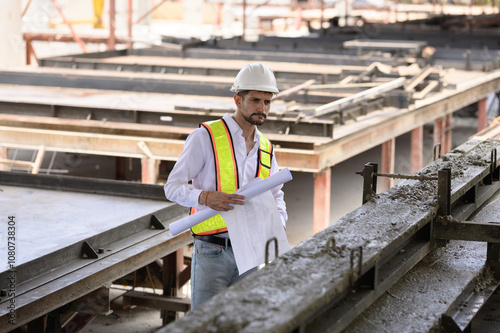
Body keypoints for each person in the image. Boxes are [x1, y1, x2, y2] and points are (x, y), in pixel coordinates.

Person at [164, 62, 288, 309]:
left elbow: (276, 195)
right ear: (237, 100)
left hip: (251, 251)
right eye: (255, 100)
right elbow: (172, 187)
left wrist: (277, 224)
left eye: (267, 102)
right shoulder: (205, 137)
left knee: (240, 322)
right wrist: (205, 197)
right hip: (212, 251)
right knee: (204, 324)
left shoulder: (266, 147)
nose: (262, 108)